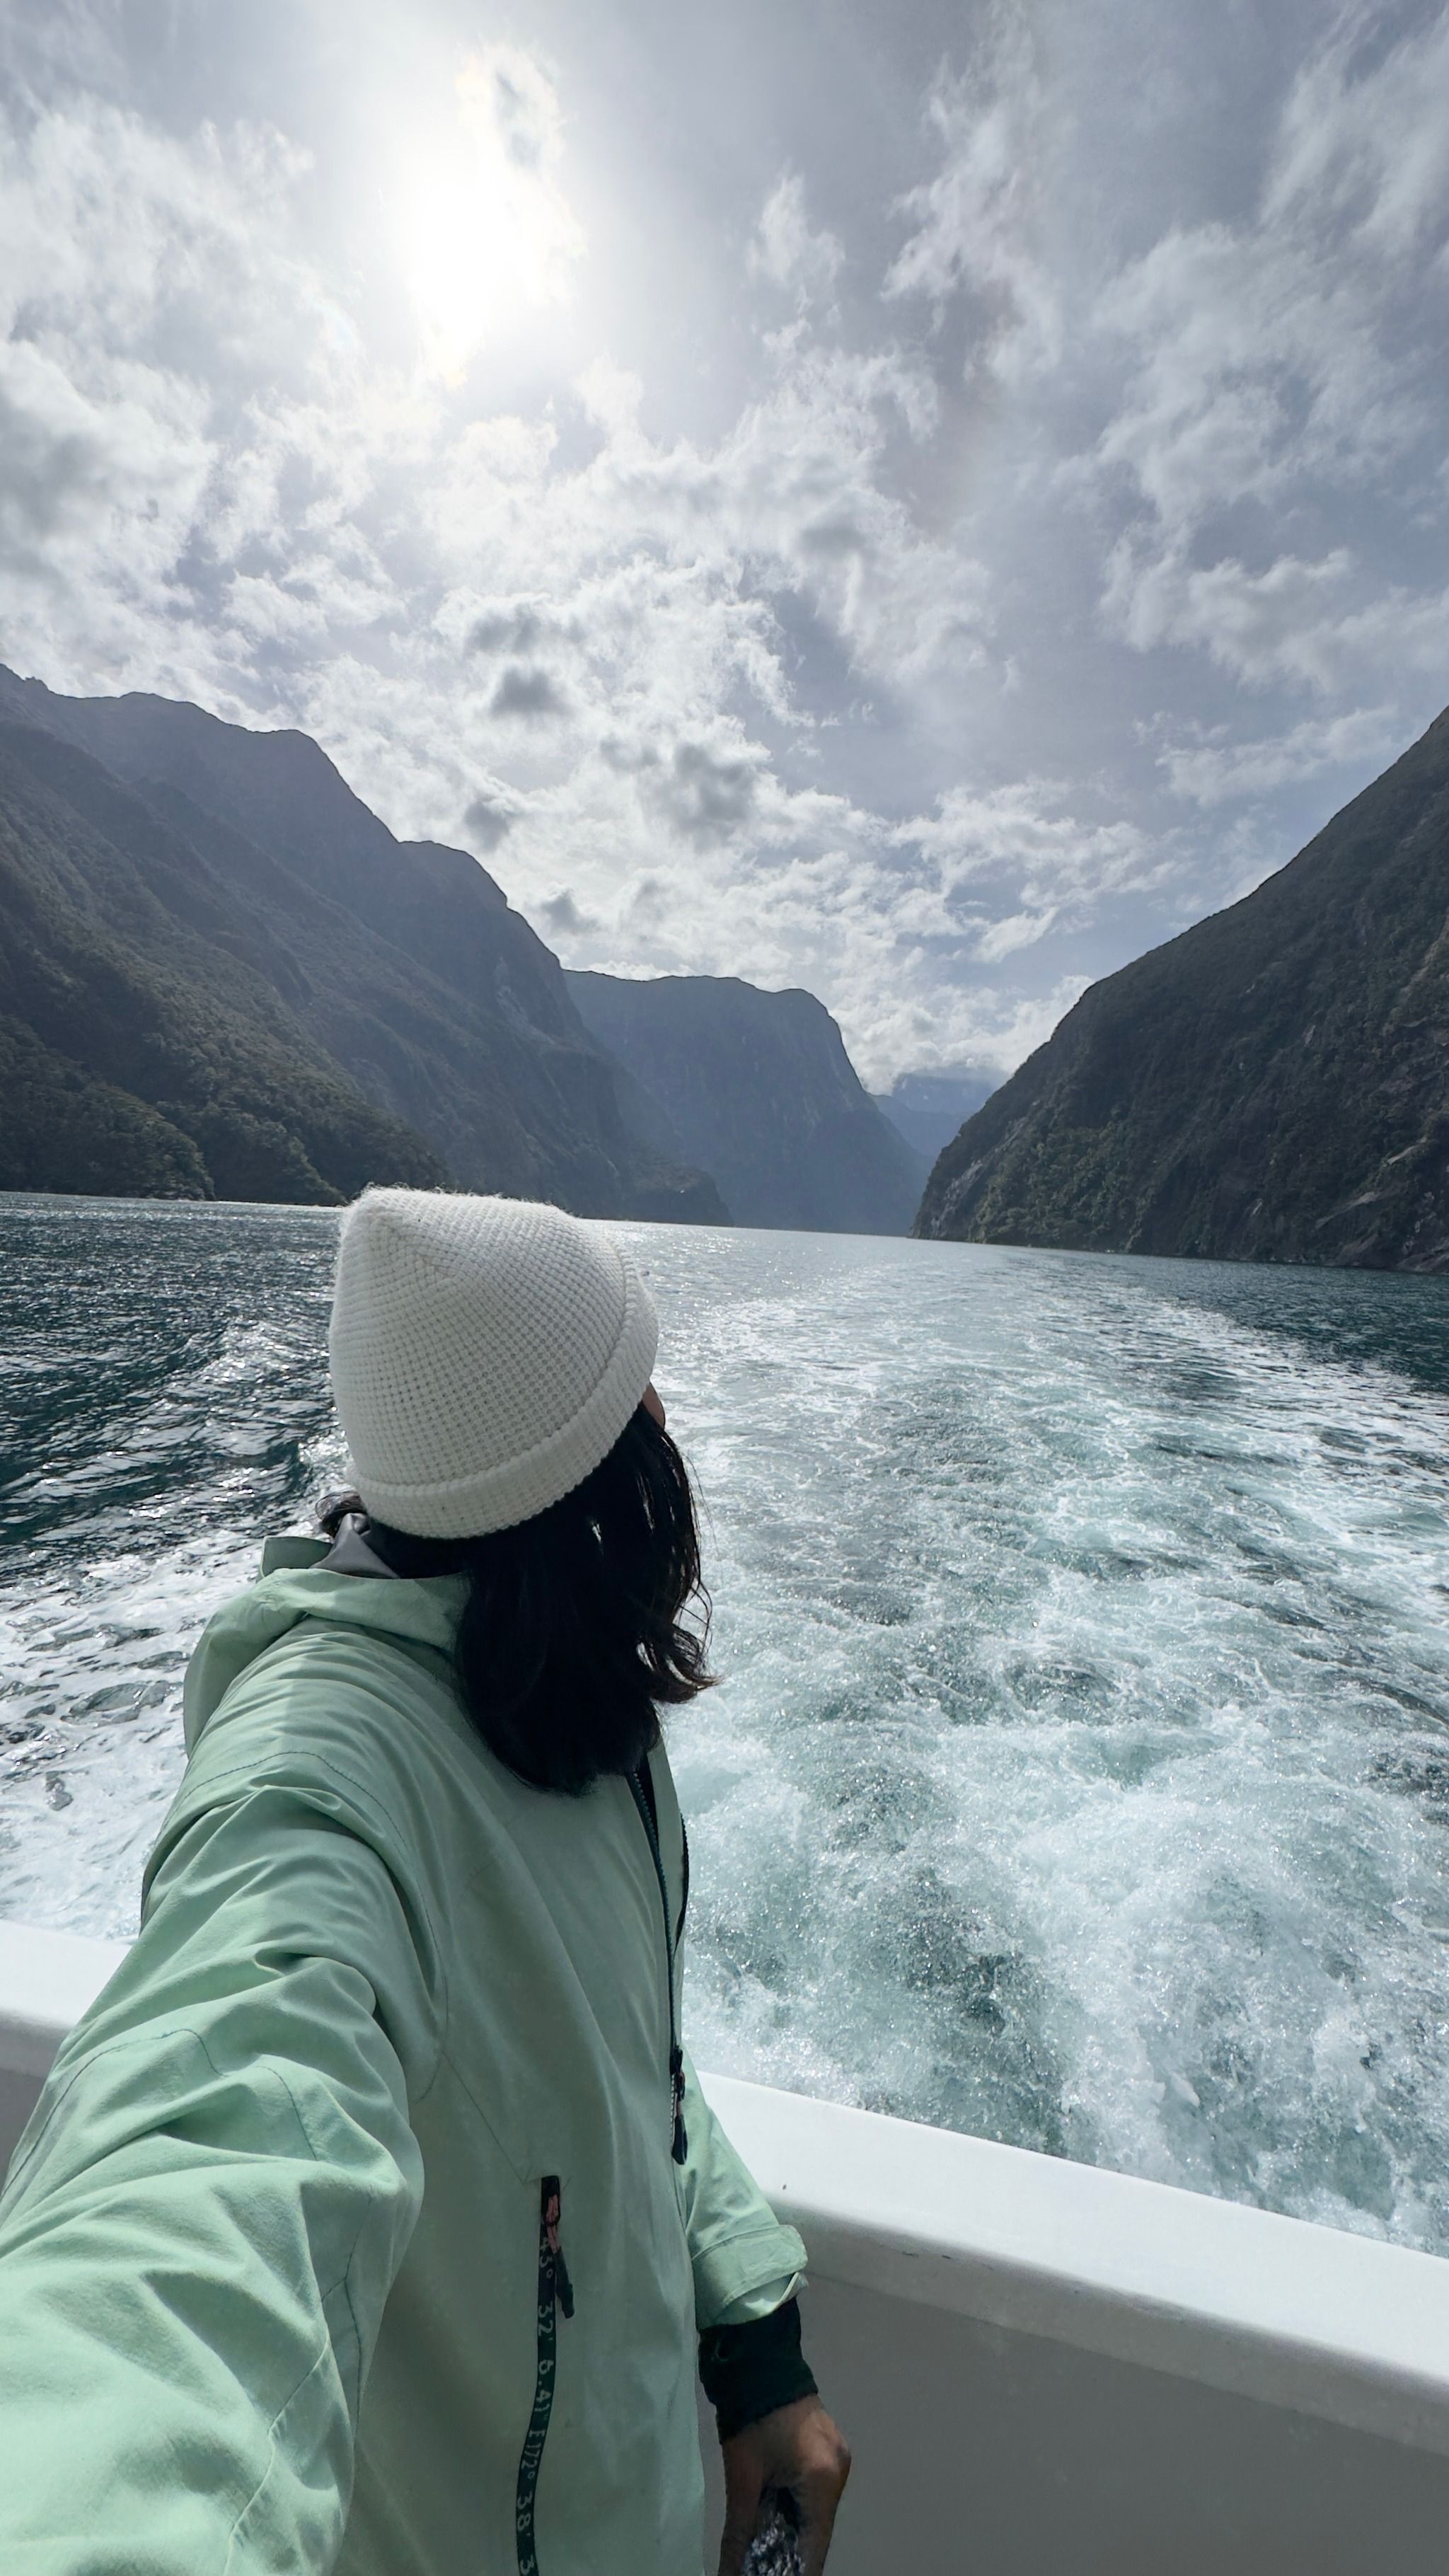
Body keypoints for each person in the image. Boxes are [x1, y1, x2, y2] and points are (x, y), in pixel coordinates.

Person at [0, 1187, 850, 2575]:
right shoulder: (317, 1788)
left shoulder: (572, 1703)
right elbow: (210, 2142)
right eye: (638, 1388)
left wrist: (755, 2348)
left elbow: (625, 2064)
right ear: (606, 1453)